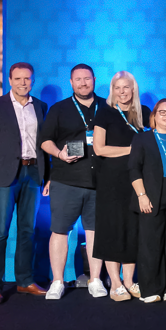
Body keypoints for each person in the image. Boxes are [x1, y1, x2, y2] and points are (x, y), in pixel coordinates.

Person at [38, 63, 119, 300]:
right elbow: (45, 140)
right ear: (71, 83)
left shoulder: (108, 107)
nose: (83, 83)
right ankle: (57, 281)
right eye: (78, 79)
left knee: (95, 232)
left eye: (87, 79)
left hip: (101, 181)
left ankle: (95, 280)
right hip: (67, 179)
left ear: (94, 79)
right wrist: (59, 154)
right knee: (59, 231)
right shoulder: (59, 109)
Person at [0, 61, 49, 303]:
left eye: (27, 78)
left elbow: (44, 144)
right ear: (10, 80)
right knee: (0, 232)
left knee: (28, 230)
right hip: (3, 176)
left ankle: (25, 281)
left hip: (33, 174)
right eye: (18, 78)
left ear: (33, 80)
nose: (22, 83)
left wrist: (47, 176)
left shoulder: (40, 106)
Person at [93, 70, 149, 301]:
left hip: (136, 180)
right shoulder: (105, 112)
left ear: (133, 89)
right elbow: (99, 148)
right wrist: (131, 150)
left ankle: (129, 281)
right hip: (111, 181)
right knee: (112, 230)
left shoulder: (144, 112)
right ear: (112, 91)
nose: (122, 92)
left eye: (126, 87)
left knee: (132, 229)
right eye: (117, 88)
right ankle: (115, 283)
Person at [129, 98, 166, 303]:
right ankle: (151, 289)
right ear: (154, 115)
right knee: (151, 244)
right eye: (162, 112)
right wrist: (141, 195)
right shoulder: (142, 139)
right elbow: (134, 169)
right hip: (151, 195)